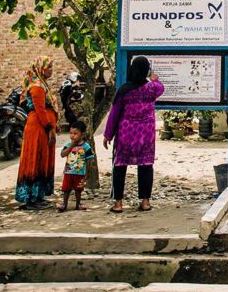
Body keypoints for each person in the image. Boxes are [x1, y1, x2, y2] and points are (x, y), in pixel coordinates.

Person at [103, 55, 164, 213]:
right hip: (146, 135)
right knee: (145, 166)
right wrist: (154, 78)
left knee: (120, 166)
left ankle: (118, 203)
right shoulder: (151, 89)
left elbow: (114, 114)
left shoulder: (124, 90)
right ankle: (145, 202)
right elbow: (160, 87)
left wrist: (108, 134)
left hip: (126, 134)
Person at [15, 56, 59, 209]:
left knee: (42, 160)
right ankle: (31, 198)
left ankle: (38, 196)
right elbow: (40, 110)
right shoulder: (38, 87)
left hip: (41, 127)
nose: (52, 71)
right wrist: (49, 129)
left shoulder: (42, 84)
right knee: (35, 159)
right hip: (39, 128)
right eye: (49, 68)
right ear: (41, 68)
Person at [58, 120, 94, 212]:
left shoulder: (86, 146)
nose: (72, 136)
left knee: (78, 189)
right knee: (66, 188)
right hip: (68, 171)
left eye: (75, 133)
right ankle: (64, 204)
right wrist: (72, 146)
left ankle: (78, 204)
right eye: (71, 133)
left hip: (80, 172)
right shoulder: (68, 145)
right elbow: (62, 154)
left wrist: (87, 173)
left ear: (82, 134)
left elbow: (89, 160)